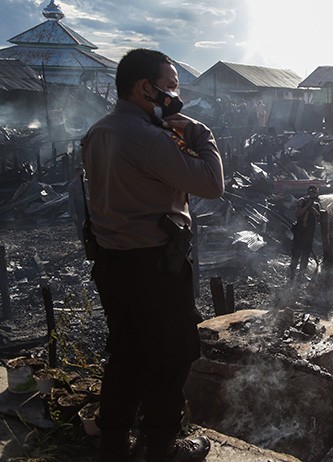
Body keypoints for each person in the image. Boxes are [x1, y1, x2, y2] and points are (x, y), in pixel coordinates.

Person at [82, 48, 223, 462]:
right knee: (170, 357)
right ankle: (161, 447)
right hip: (155, 269)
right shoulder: (148, 138)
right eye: (172, 87)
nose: (177, 97)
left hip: (111, 263)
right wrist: (201, 133)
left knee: (126, 352)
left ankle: (113, 442)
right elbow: (212, 184)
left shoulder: (98, 132)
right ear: (146, 88)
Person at [289, 185, 321, 282]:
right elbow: (298, 214)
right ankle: (292, 274)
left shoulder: (317, 205)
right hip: (300, 231)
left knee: (306, 254)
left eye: (315, 192)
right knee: (296, 253)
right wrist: (307, 206)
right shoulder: (302, 201)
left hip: (309, 232)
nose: (313, 194)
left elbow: (318, 219)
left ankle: (301, 274)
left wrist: (314, 211)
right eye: (312, 192)